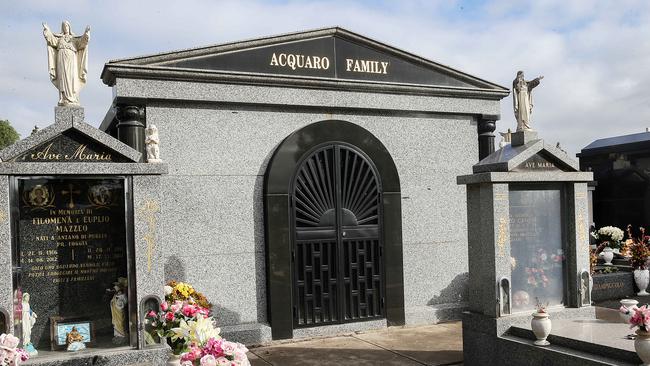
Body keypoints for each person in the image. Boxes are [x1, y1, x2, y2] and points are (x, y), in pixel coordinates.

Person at [42, 21, 90, 106]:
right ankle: (64, 98)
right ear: (62, 28)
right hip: (62, 60)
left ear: (69, 27)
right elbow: (52, 40)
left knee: (72, 78)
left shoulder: (74, 39)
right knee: (63, 78)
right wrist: (47, 30)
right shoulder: (59, 39)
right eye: (64, 26)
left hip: (72, 60)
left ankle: (73, 98)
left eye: (67, 26)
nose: (65, 28)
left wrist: (86, 33)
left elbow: (82, 43)